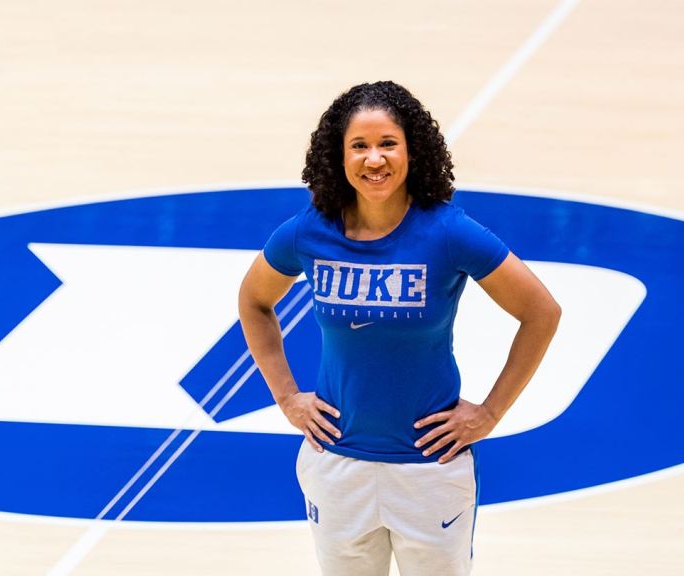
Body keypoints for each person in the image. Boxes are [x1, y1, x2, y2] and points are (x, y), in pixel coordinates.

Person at [237, 81, 561, 576]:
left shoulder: (449, 232)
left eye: (388, 143)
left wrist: (490, 413)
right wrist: (287, 397)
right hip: (336, 463)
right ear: (337, 156)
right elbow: (254, 301)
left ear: (413, 151)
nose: (374, 159)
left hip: (430, 471)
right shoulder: (309, 232)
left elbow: (541, 312)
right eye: (359, 146)